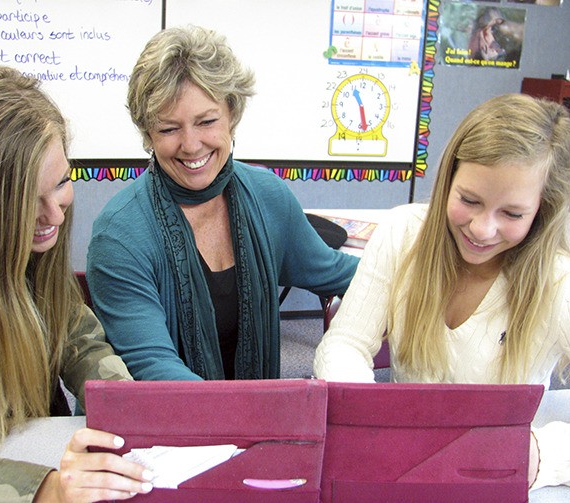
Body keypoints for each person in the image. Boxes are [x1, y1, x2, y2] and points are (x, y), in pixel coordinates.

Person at [0, 67, 153, 501]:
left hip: (25, 445)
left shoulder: (32, 246)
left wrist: (121, 406)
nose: (54, 215)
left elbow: (79, 339)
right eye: (24, 202)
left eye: (60, 184)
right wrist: (42, 490)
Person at [314, 93, 570, 490]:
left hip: (495, 480)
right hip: (404, 471)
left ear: (542, 210)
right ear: (447, 180)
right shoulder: (403, 234)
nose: (482, 230)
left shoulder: (559, 281)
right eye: (469, 200)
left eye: (512, 214)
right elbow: (345, 343)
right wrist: (370, 418)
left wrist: (540, 455)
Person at [87, 25, 359, 381]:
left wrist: (430, 280)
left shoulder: (267, 197)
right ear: (148, 134)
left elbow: (338, 272)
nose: (191, 144)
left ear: (232, 114)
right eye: (169, 128)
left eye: (207, 121)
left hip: (251, 416)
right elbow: (154, 368)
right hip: (167, 426)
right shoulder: (119, 235)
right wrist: (239, 422)